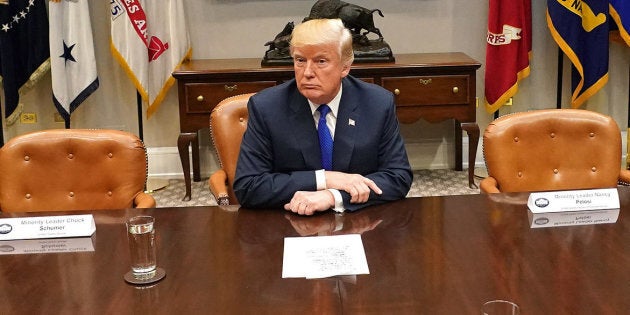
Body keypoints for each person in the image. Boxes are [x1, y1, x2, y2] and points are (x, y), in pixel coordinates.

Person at [233, 18, 412, 215]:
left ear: (345, 67)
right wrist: (325, 179)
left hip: (360, 222)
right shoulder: (267, 107)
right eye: (300, 60)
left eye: (321, 61)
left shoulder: (377, 103)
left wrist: (333, 196)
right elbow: (248, 186)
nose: (307, 72)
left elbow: (398, 177)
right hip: (289, 222)